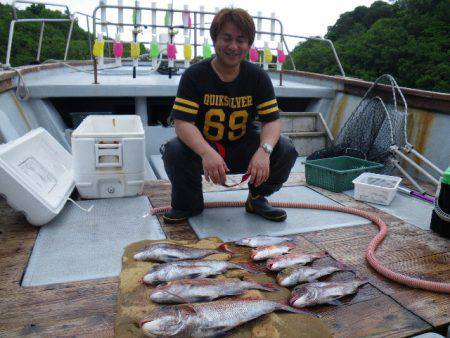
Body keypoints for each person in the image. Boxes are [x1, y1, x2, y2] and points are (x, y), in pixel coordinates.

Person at [161, 7, 298, 224]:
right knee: (174, 149)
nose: (233, 46)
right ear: (215, 39)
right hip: (206, 148)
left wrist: (264, 151)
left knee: (285, 148)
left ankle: (257, 198)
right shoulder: (194, 76)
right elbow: (182, 123)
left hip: (243, 146)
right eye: (227, 38)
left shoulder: (258, 77)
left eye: (241, 40)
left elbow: (271, 121)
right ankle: (188, 204)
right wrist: (207, 153)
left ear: (249, 45)